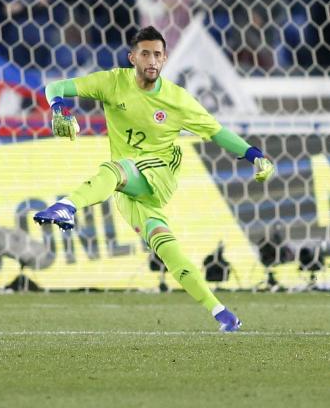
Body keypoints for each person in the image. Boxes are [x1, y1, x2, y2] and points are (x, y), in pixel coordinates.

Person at [33, 26, 275, 332]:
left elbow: (216, 132)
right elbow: (55, 87)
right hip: (129, 189)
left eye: (158, 54)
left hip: (160, 173)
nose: (152, 60)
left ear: (165, 58)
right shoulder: (113, 82)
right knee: (166, 247)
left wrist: (255, 155)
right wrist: (59, 110)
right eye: (145, 53)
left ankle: (67, 206)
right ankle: (221, 313)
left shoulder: (177, 99)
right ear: (132, 57)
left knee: (115, 168)